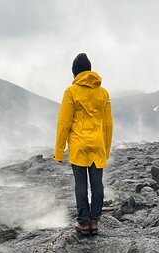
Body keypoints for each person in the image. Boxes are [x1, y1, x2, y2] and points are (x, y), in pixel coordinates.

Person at [54, 53, 113, 236]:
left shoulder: (71, 92)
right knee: (97, 183)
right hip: (97, 145)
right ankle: (94, 221)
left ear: (75, 73)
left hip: (79, 146)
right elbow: (108, 124)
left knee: (80, 184)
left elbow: (64, 123)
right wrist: (106, 149)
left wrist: (58, 152)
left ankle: (83, 222)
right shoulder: (102, 92)